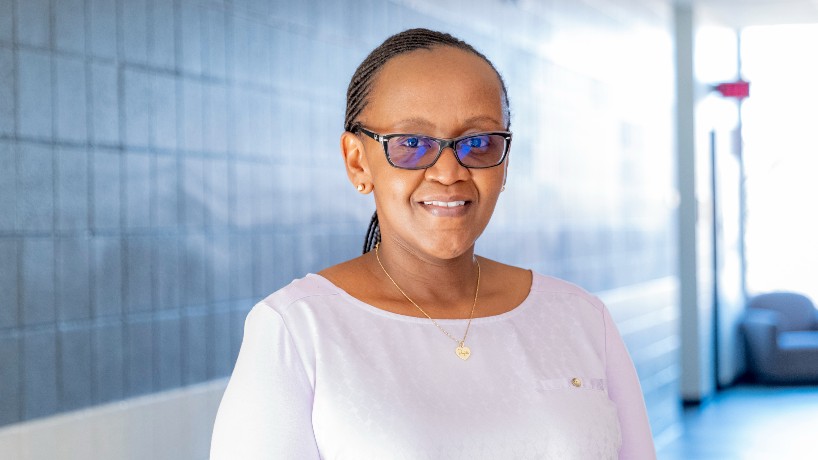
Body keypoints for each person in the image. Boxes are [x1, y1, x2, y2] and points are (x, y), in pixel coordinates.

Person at [210, 28, 656, 459]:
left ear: (505, 161)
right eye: (411, 144)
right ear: (357, 162)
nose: (448, 171)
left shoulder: (580, 318)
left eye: (478, 142)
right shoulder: (297, 329)